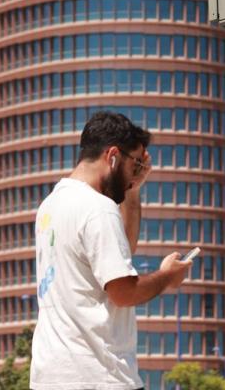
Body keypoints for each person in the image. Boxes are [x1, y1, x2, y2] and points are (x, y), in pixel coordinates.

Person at [30, 111, 193, 390]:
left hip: (51, 376)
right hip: (98, 376)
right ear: (113, 155)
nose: (136, 173)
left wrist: (132, 191)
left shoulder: (51, 205)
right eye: (136, 163)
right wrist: (167, 276)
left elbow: (118, 259)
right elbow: (123, 291)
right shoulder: (97, 208)